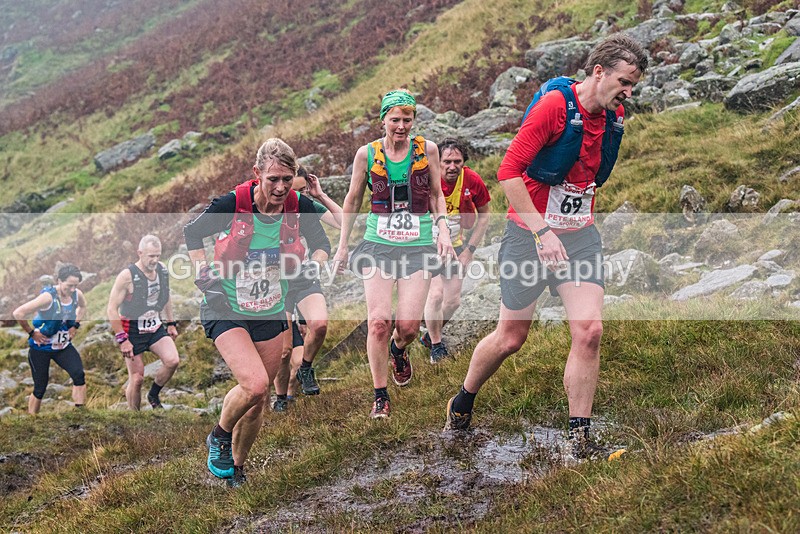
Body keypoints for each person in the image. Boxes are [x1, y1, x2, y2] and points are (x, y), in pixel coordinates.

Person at [443, 34, 648, 459]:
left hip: (579, 237)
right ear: (599, 72)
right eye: (625, 81)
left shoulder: (615, 117)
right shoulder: (555, 108)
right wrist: (542, 231)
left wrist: (567, 221)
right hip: (529, 237)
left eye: (633, 85)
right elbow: (508, 172)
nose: (628, 92)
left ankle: (579, 437)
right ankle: (463, 399)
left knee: (589, 330)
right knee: (511, 337)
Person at [184, 138, 330, 487]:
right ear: (257, 174)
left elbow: (323, 244)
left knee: (259, 399)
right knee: (255, 384)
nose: (281, 187)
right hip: (226, 306)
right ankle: (218, 435)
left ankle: (236, 467)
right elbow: (192, 233)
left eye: (287, 178)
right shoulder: (234, 203)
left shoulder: (296, 205)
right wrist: (203, 273)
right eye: (273, 179)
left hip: (270, 309)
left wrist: (312, 265)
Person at [333, 89, 454, 418]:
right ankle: (380, 396)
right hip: (378, 245)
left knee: (410, 327)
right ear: (383, 119)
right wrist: (343, 245)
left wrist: (443, 229)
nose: (401, 126)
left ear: (414, 120)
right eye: (395, 120)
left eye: (407, 120)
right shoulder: (367, 154)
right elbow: (353, 199)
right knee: (379, 322)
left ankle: (399, 351)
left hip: (418, 246)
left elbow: (437, 196)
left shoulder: (427, 149)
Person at [272, 166, 343, 411]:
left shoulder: (305, 205)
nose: (301, 195)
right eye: (297, 190)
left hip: (303, 275)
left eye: (304, 190)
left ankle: (305, 368)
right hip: (274, 283)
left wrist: (320, 196)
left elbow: (343, 223)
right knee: (283, 352)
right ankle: (281, 398)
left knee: (320, 324)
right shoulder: (266, 206)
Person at [420, 138, 491, 363]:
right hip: (427, 246)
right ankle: (437, 347)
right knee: (436, 294)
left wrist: (469, 251)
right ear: (437, 162)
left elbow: (485, 215)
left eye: (457, 161)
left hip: (456, 245)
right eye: (447, 161)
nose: (452, 166)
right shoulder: (424, 179)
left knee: (453, 302)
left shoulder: (471, 180)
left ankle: (430, 334)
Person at [107, 235, 180, 410]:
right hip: (131, 331)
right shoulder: (126, 276)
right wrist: (122, 339)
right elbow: (111, 309)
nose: (155, 260)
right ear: (139, 253)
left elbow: (166, 296)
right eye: (150, 256)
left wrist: (171, 323)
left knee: (172, 361)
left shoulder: (162, 271)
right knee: (137, 378)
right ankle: (135, 416)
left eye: (158, 255)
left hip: (154, 327)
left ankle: (153, 395)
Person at [13, 264, 87, 414]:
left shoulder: (76, 293)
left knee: (79, 375)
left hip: (63, 347)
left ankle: (81, 414)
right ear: (59, 280)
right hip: (41, 348)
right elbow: (18, 313)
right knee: (40, 387)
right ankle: (32, 421)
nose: (72, 290)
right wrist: (32, 333)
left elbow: (83, 306)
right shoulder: (47, 297)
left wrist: (75, 326)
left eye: (75, 285)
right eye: (69, 286)